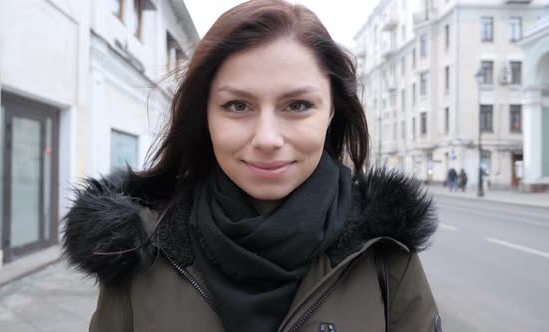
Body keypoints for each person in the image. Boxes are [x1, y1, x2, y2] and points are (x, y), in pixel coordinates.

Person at [62, 1, 440, 331]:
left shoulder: (384, 250)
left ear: (331, 113)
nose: (267, 138)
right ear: (204, 116)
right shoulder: (140, 246)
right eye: (237, 106)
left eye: (298, 106)